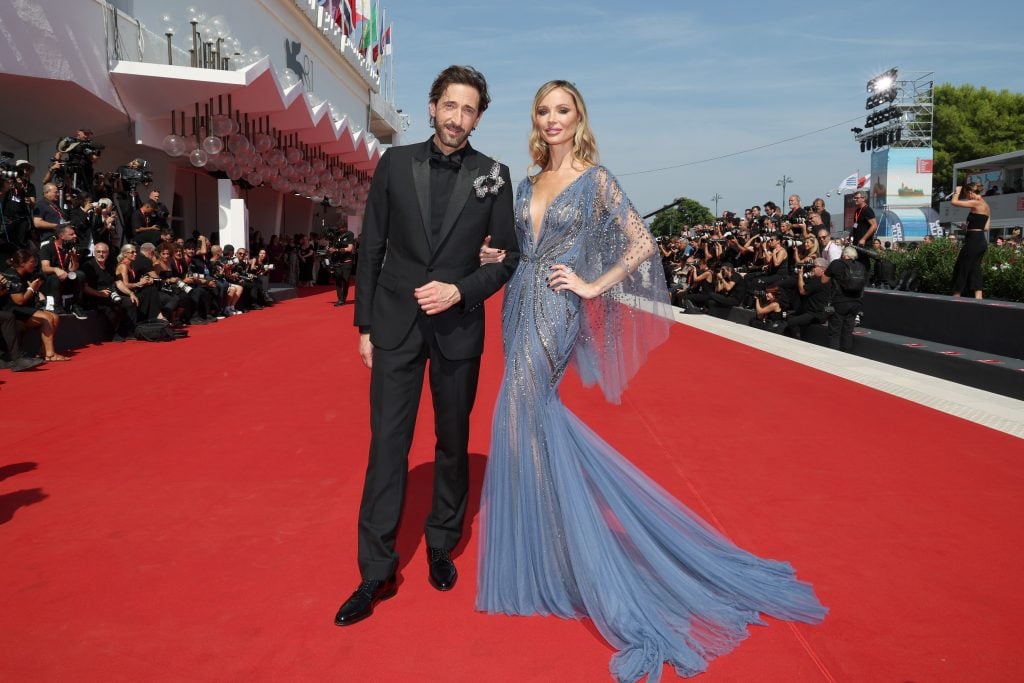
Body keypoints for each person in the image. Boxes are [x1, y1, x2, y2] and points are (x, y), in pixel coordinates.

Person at [475, 80, 826, 682]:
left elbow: (641, 244)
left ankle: (567, 558)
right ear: (533, 119)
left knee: (519, 414)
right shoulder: (525, 182)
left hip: (555, 311)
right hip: (515, 304)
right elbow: (516, 250)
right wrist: (495, 261)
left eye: (563, 110)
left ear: (578, 117)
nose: (552, 119)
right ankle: (557, 551)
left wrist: (590, 284)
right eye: (543, 110)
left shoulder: (597, 178)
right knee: (525, 423)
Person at [333, 65, 520, 628]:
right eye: (451, 106)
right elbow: (372, 246)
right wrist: (364, 326)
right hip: (394, 325)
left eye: (470, 110)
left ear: (479, 117)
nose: (458, 119)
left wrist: (461, 289)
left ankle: (442, 540)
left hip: (458, 327)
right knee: (387, 444)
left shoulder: (494, 175)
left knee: (452, 440)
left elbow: (508, 258)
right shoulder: (394, 163)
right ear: (434, 105)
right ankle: (375, 569)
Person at [1, 250, 66, 361]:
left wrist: (35, 289)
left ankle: (43, 351)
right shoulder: (11, 275)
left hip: (22, 309)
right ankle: (50, 354)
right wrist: (32, 288)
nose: (34, 264)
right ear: (22, 263)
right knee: (47, 318)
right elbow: (19, 301)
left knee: (55, 317)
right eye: (31, 262)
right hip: (11, 310)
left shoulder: (26, 273)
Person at [822, 246, 866, 352]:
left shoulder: (837, 263)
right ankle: (846, 355)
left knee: (835, 331)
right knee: (848, 331)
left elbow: (824, 280)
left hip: (839, 302)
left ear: (845, 255)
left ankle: (834, 356)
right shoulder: (861, 266)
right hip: (855, 302)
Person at [950, 182, 990, 299]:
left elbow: (954, 202)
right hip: (981, 240)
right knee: (974, 269)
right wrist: (968, 227)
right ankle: (979, 297)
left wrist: (957, 191)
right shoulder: (986, 206)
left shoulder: (976, 202)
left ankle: (956, 295)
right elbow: (986, 227)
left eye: (967, 194)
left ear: (971, 192)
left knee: (961, 266)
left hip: (974, 241)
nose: (967, 197)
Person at [849, 191, 877, 272]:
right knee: (857, 263)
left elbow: (874, 226)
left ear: (863, 198)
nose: (855, 200)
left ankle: (866, 282)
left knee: (864, 264)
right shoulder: (857, 211)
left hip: (864, 243)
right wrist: (850, 234)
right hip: (856, 242)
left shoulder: (867, 210)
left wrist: (864, 239)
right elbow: (855, 224)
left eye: (857, 198)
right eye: (854, 198)